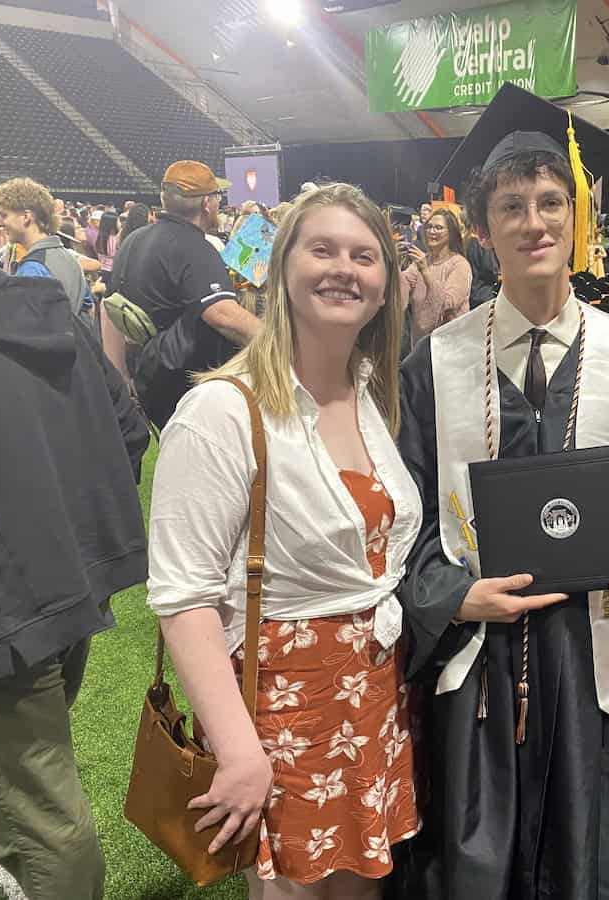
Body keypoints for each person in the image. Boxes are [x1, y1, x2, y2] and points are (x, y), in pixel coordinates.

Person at [396, 84, 609, 900]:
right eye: (511, 207)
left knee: (594, 861)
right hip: (480, 662)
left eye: (551, 202)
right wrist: (453, 596)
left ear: (576, 217)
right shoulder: (434, 365)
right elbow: (406, 518)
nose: (534, 222)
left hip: (593, 658)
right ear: (482, 229)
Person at [147, 183, 421, 899]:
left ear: (385, 286)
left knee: (363, 886)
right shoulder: (219, 411)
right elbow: (182, 598)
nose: (344, 269)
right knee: (294, 891)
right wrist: (239, 749)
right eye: (322, 249)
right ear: (280, 268)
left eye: (364, 256)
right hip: (280, 709)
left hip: (374, 697)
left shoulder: (372, 390)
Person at [0, 157, 148, 900]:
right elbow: (129, 432)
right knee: (30, 783)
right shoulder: (48, 310)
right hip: (67, 591)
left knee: (43, 821)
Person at [111, 160, 262, 429]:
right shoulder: (194, 247)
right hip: (188, 385)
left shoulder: (134, 239)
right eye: (217, 196)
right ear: (207, 203)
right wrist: (280, 344)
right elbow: (223, 315)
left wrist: (121, 376)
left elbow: (109, 309)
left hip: (150, 378)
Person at [0, 177, 92, 321]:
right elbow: (88, 308)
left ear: (26, 217)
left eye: (4, 215)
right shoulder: (70, 259)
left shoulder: (32, 268)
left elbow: (26, 326)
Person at [401, 207, 472, 349]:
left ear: (451, 233)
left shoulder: (459, 264)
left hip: (450, 345)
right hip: (421, 345)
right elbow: (400, 290)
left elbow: (446, 303)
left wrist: (426, 272)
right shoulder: (423, 261)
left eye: (438, 228)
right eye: (429, 227)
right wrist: (395, 262)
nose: (432, 231)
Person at [94, 210, 119, 291]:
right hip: (112, 271)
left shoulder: (100, 237)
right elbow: (114, 255)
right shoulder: (114, 239)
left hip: (102, 268)